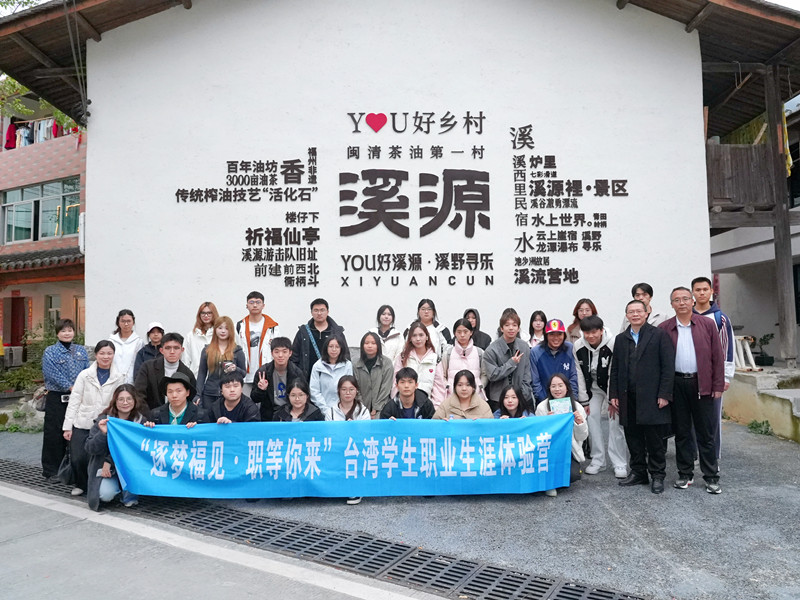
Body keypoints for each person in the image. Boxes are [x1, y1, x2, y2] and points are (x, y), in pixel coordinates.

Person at [659, 286, 725, 494]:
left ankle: (711, 476)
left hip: (701, 384)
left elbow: (717, 357)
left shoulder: (707, 324)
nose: (682, 303)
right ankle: (685, 473)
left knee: (706, 433)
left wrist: (718, 385)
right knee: (682, 432)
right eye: (677, 300)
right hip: (676, 384)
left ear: (692, 301)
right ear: (671, 304)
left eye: (686, 299)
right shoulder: (664, 328)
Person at [609, 300, 675, 494]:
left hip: (652, 397)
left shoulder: (659, 335)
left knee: (654, 439)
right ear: (627, 315)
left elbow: (668, 366)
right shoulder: (621, 339)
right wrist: (614, 394)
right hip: (627, 396)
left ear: (647, 313)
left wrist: (664, 394)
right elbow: (616, 368)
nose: (635, 314)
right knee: (633, 437)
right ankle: (638, 472)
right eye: (631, 312)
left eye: (639, 311)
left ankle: (657, 475)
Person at [62, 340, 125, 497]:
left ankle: (94, 485)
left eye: (109, 353)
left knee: (96, 456)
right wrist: (67, 426)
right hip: (82, 421)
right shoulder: (85, 375)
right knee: (78, 457)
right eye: (102, 353)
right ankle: (81, 484)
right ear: (96, 355)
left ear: (114, 355)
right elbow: (75, 400)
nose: (106, 357)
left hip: (104, 424)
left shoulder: (119, 377)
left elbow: (120, 402)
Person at [574, 315, 627, 478]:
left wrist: (612, 398)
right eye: (586, 333)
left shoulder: (613, 343)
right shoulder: (578, 346)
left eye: (594, 332)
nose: (590, 336)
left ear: (601, 330)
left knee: (615, 421)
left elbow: (614, 372)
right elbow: (579, 373)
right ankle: (598, 460)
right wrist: (584, 401)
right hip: (593, 389)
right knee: (591, 417)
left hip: (611, 387)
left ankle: (619, 462)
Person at [691, 276, 735, 463]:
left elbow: (727, 349)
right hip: (688, 376)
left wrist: (725, 377)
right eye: (698, 290)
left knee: (712, 419)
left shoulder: (720, 319)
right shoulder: (686, 316)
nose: (701, 293)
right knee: (689, 419)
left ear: (711, 291)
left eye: (705, 289)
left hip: (711, 378)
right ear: (692, 293)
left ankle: (712, 458)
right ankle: (692, 456)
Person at [85, 384, 148, 510]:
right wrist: (103, 434)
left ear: (135, 401)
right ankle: (117, 489)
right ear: (115, 401)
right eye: (121, 399)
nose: (125, 403)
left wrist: (109, 461)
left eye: (129, 399)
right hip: (106, 471)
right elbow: (90, 448)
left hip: (129, 468)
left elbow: (135, 450)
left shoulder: (140, 421)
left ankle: (128, 493)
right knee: (105, 495)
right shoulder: (104, 420)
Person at [41, 318, 89, 480]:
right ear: (57, 333)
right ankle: (51, 470)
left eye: (69, 330)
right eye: (63, 331)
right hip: (57, 397)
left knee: (75, 432)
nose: (67, 333)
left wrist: (81, 388)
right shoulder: (50, 351)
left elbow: (87, 371)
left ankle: (72, 470)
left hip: (77, 398)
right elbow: (51, 373)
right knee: (54, 433)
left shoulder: (81, 351)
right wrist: (70, 387)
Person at [535, 373, 589, 497]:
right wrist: (547, 423)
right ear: (549, 388)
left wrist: (579, 423)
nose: (557, 389)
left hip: (569, 450)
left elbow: (582, 437)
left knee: (573, 475)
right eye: (553, 386)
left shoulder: (577, 407)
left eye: (560, 385)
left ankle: (556, 480)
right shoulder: (542, 407)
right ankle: (550, 483)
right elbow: (538, 436)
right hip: (548, 450)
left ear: (567, 387)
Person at [484, 308, 534, 412]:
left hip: (523, 397)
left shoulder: (524, 346)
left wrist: (522, 394)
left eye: (514, 325)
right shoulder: (491, 350)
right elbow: (492, 375)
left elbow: (527, 374)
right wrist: (511, 363)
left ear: (518, 328)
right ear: (501, 328)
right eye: (507, 325)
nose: (511, 328)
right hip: (499, 399)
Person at [134, 332, 197, 410]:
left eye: (176, 348)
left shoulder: (188, 374)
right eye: (168, 348)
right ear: (161, 350)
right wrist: (149, 415)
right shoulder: (148, 367)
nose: (172, 352)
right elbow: (139, 395)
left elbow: (190, 399)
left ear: (182, 350)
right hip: (150, 414)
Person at [235, 291, 280, 396]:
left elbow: (277, 350)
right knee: (245, 403)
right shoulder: (239, 326)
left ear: (263, 305)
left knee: (265, 403)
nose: (255, 305)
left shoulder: (273, 326)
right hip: (245, 375)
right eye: (251, 302)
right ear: (246, 305)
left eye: (258, 302)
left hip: (266, 374)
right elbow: (235, 349)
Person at [250, 337, 306, 422]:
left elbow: (304, 396)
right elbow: (254, 399)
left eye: (284, 352)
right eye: (276, 352)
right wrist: (261, 390)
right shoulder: (263, 372)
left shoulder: (297, 373)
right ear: (272, 353)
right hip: (269, 416)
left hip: (290, 414)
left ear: (290, 353)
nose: (280, 355)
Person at [291, 298, 347, 382]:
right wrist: (298, 378)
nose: (319, 313)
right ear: (311, 312)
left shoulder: (337, 332)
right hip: (307, 380)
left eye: (322, 310)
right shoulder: (303, 332)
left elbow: (345, 356)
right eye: (316, 310)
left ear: (327, 312)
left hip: (332, 380)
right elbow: (294, 357)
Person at [196, 316, 246, 409]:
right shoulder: (207, 350)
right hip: (209, 393)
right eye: (220, 328)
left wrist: (235, 369)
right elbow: (202, 374)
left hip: (229, 395)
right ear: (215, 330)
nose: (223, 331)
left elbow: (243, 373)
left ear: (231, 331)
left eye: (226, 328)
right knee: (208, 417)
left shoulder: (237, 351)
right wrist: (198, 394)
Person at [434, 318, 486, 405]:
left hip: (475, 397)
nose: (462, 335)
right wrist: (448, 386)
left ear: (471, 332)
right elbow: (442, 375)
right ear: (454, 333)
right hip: (452, 398)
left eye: (465, 332)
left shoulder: (479, 352)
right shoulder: (448, 353)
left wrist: (480, 386)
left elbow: (484, 374)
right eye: (459, 332)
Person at [530, 319, 579, 407]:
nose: (556, 338)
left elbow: (573, 376)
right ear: (546, 335)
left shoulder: (570, 349)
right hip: (544, 402)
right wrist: (546, 403)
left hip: (568, 402)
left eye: (559, 334)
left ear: (564, 335)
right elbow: (535, 382)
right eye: (552, 334)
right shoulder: (536, 352)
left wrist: (572, 400)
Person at [393, 321, 445, 403]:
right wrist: (397, 403)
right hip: (404, 404)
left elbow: (439, 388)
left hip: (427, 405)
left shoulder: (435, 359)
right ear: (410, 338)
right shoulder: (403, 357)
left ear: (427, 337)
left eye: (421, 335)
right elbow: (395, 383)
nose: (418, 339)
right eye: (414, 335)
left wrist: (436, 407)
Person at [353, 332, 393, 417]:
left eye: (373, 343)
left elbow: (386, 388)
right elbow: (355, 388)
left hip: (382, 407)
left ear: (378, 345)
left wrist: (376, 408)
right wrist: (363, 409)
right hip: (360, 408)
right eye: (366, 343)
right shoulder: (356, 364)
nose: (370, 346)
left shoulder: (387, 363)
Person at [310, 334, 353, 411]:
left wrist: (341, 408)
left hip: (343, 410)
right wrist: (325, 410)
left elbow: (349, 388)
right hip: (322, 410)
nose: (334, 349)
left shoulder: (347, 365)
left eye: (337, 347)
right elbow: (314, 391)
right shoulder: (318, 366)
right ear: (326, 348)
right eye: (331, 346)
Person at [185, 301, 219, 378]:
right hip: (196, 377)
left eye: (209, 313)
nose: (206, 316)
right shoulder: (191, 336)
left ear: (214, 314)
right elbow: (186, 360)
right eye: (203, 313)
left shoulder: (220, 334)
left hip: (215, 378)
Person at [109, 309, 143, 384]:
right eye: (123, 321)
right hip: (113, 380)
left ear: (133, 322)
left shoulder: (138, 342)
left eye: (129, 321)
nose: (126, 324)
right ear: (118, 322)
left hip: (131, 381)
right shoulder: (112, 341)